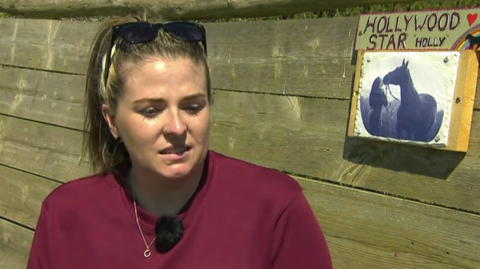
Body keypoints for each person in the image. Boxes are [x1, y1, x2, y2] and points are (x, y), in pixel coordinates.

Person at [26, 14, 333, 269]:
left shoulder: (275, 208)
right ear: (111, 120)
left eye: (192, 106)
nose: (176, 126)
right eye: (151, 110)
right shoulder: (65, 215)